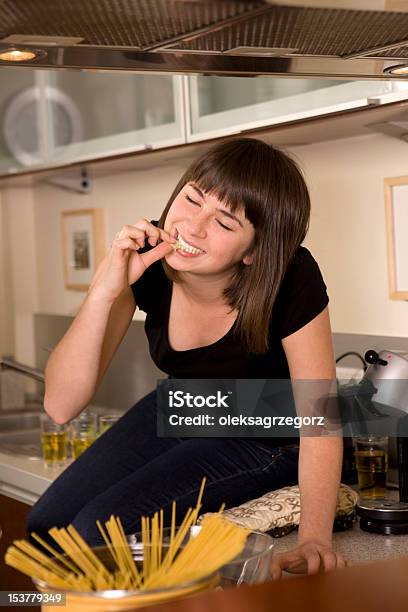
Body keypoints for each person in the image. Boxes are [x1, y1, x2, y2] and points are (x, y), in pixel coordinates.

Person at [27, 137, 347, 579]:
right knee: (45, 527)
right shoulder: (145, 257)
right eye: (192, 199)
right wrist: (106, 288)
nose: (191, 227)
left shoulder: (292, 277)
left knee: (95, 531)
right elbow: (60, 405)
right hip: (185, 407)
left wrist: (316, 537)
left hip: (267, 432)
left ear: (255, 250)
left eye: (224, 222)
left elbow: (320, 417)